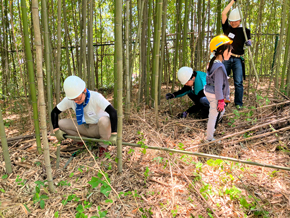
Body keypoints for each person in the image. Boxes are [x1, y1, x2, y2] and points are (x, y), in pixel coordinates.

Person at [51, 75, 117, 156]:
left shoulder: (96, 97)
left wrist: (114, 134)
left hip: (99, 128)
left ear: (84, 90)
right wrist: (56, 129)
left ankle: (103, 146)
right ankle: (83, 141)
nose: (76, 101)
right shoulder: (70, 100)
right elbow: (54, 112)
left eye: (78, 98)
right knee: (61, 123)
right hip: (84, 127)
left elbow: (113, 112)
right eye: (73, 100)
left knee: (104, 120)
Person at [222, 0, 251, 107]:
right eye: (231, 21)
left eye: (235, 21)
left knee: (238, 82)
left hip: (238, 59)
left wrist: (249, 42)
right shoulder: (227, 28)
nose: (233, 23)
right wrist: (232, 2)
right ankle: (223, 100)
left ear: (240, 20)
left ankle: (238, 103)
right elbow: (223, 13)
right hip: (226, 58)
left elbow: (249, 40)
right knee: (223, 79)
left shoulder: (245, 30)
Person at [204, 35, 232, 141]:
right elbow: (218, 86)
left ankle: (212, 130)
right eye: (228, 51)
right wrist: (220, 100)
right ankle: (209, 139)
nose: (230, 54)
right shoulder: (219, 67)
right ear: (221, 50)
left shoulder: (213, 63)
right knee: (213, 116)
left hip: (209, 92)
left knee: (221, 111)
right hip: (215, 94)